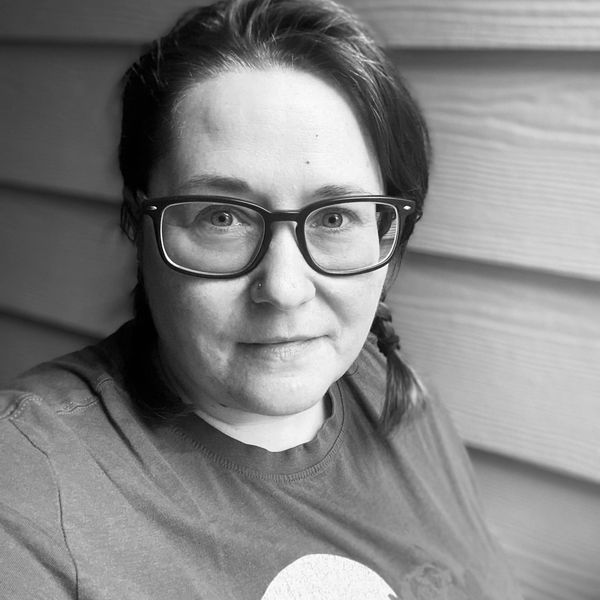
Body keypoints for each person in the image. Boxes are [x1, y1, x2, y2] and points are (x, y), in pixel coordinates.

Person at [0, 0, 522, 598]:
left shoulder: (399, 401)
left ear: (386, 234)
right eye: (222, 217)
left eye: (333, 217)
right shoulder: (28, 489)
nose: (284, 288)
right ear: (140, 225)